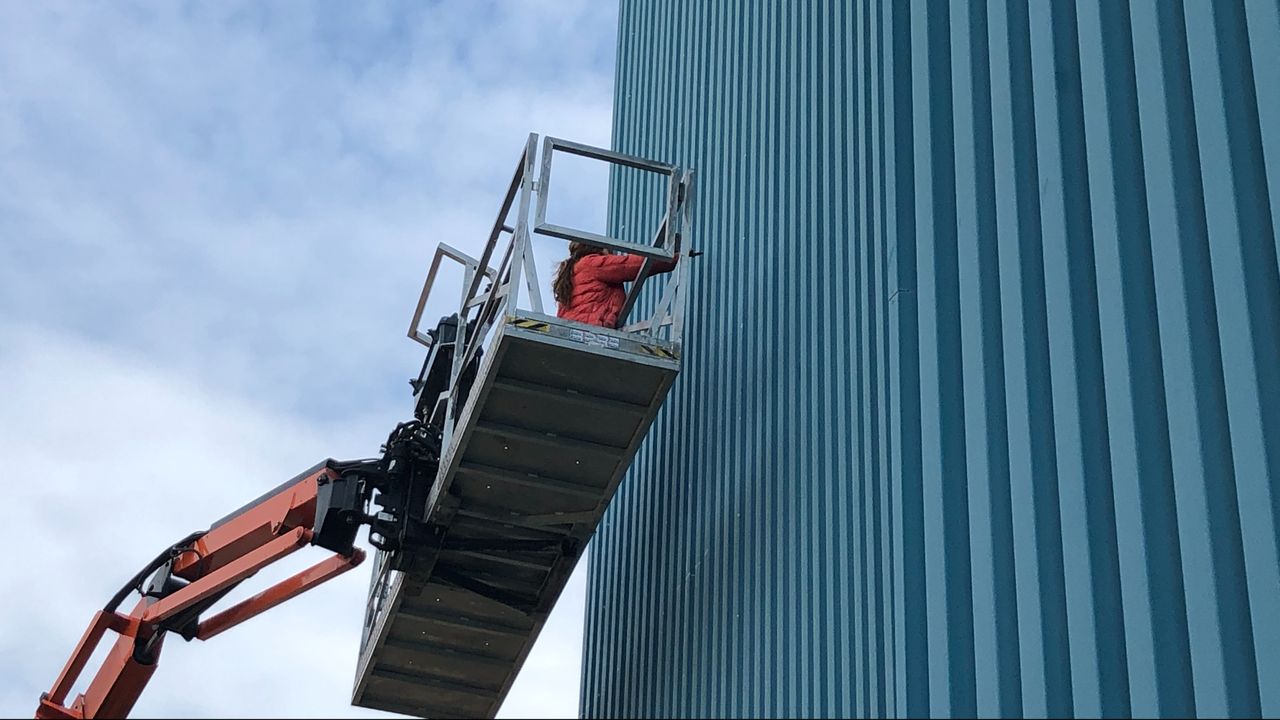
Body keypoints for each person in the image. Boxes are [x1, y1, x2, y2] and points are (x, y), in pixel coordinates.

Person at [553, 241, 676, 328]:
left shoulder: (571, 274)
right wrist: (672, 257)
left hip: (571, 330)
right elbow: (631, 264)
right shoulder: (592, 263)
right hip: (590, 328)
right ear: (601, 249)